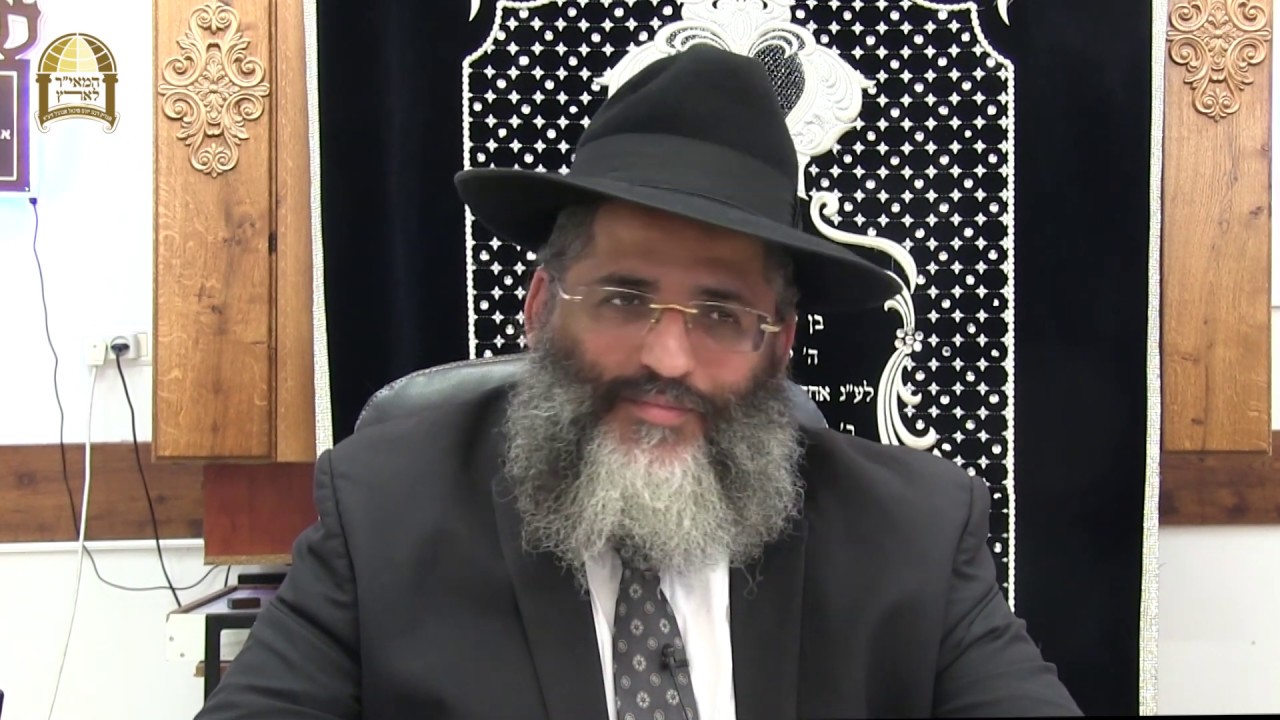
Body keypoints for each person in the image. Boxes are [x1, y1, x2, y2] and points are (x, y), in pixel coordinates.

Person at [195, 44, 1080, 719]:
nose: (668, 357)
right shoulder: (384, 511)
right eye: (623, 298)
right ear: (541, 306)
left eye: (722, 314)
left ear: (779, 347)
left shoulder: (914, 534)